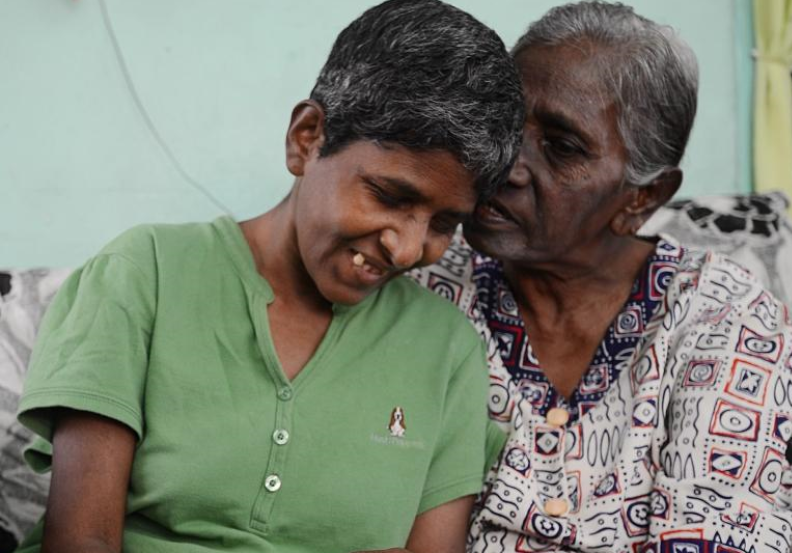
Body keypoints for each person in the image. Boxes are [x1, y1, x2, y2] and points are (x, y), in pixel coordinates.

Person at [15, 1, 524, 552]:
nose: (406, 249)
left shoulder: (445, 352)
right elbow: (81, 540)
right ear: (307, 138)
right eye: (389, 195)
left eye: (443, 223)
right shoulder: (145, 275)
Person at [411, 2, 792, 551]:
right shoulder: (421, 283)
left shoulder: (722, 318)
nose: (507, 164)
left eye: (562, 147)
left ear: (643, 197)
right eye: (504, 121)